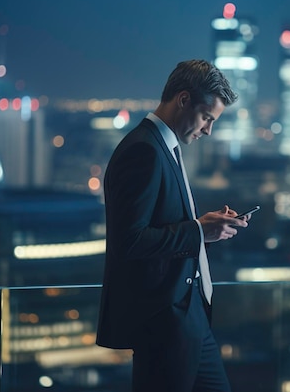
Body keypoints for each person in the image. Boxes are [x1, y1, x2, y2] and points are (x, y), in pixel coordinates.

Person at [96, 59, 250, 392]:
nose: (209, 129)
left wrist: (209, 229)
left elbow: (164, 226)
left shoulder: (164, 147)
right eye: (207, 117)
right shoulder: (143, 150)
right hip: (164, 319)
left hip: (188, 316)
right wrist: (198, 231)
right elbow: (130, 240)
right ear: (183, 100)